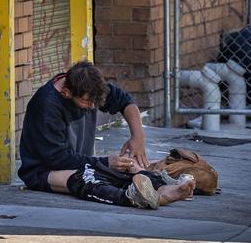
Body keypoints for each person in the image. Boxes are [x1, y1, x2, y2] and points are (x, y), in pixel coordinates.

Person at [18, 61, 195, 209]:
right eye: (87, 102)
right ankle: (131, 197)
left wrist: (137, 137)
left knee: (128, 167)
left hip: (79, 161)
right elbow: (56, 159)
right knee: (87, 179)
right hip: (44, 171)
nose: (92, 107)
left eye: (96, 102)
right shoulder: (46, 106)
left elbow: (126, 102)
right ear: (67, 93)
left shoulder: (89, 88)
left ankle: (166, 188)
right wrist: (104, 162)